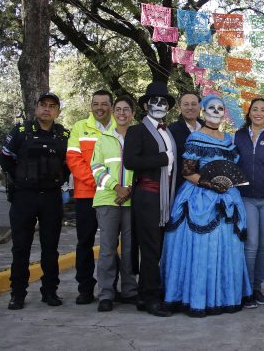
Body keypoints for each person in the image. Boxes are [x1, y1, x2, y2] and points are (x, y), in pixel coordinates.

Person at [162, 95, 252, 316]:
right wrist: (210, 184)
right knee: (202, 247)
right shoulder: (195, 138)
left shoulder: (228, 139)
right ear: (203, 112)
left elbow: (232, 169)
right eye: (211, 107)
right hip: (200, 197)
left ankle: (224, 295)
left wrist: (224, 186)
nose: (216, 111)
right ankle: (197, 297)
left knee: (228, 245)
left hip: (228, 197)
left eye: (220, 108)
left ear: (224, 113)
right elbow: (188, 172)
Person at [0, 92, 69, 310]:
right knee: (21, 248)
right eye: (43, 105)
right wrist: (21, 179)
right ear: (36, 107)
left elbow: (70, 163)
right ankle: (17, 294)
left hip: (51, 198)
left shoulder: (63, 135)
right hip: (24, 197)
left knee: (51, 248)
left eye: (52, 106)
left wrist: (57, 179)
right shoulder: (21, 132)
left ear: (57, 111)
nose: (47, 109)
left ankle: (50, 292)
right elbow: (5, 158)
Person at [123, 82, 178, 317]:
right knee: (151, 249)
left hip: (167, 198)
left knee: (161, 249)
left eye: (163, 101)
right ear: (145, 105)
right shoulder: (137, 131)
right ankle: (152, 299)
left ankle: (148, 295)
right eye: (154, 101)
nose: (159, 105)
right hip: (148, 196)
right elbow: (131, 162)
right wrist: (161, 159)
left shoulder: (169, 131)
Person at [67, 89, 115, 305]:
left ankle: (111, 287)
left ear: (111, 106)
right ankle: (85, 288)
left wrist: (111, 185)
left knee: (111, 243)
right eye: (95, 104)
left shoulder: (120, 126)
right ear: (91, 106)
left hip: (113, 196)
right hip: (87, 194)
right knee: (84, 242)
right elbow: (74, 161)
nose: (99, 108)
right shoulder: (79, 127)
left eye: (104, 104)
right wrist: (99, 181)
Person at [90, 95, 138, 312]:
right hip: (107, 200)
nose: (122, 113)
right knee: (108, 249)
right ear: (113, 112)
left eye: (126, 109)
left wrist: (130, 190)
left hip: (132, 202)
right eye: (118, 109)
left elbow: (144, 168)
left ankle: (129, 291)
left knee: (129, 249)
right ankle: (106, 294)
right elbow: (96, 168)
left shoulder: (139, 137)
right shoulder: (104, 138)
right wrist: (116, 187)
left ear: (133, 113)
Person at [234, 98, 264, 308]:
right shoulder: (238, 136)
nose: (259, 113)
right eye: (255, 109)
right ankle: (246, 290)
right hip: (246, 197)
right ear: (249, 112)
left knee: (263, 245)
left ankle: (257, 288)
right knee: (251, 243)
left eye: (263, 110)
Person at [168, 92, 205, 191]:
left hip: (207, 187)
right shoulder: (171, 131)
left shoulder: (208, 129)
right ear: (180, 107)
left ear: (200, 107)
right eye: (186, 104)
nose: (190, 107)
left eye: (193, 104)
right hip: (181, 188)